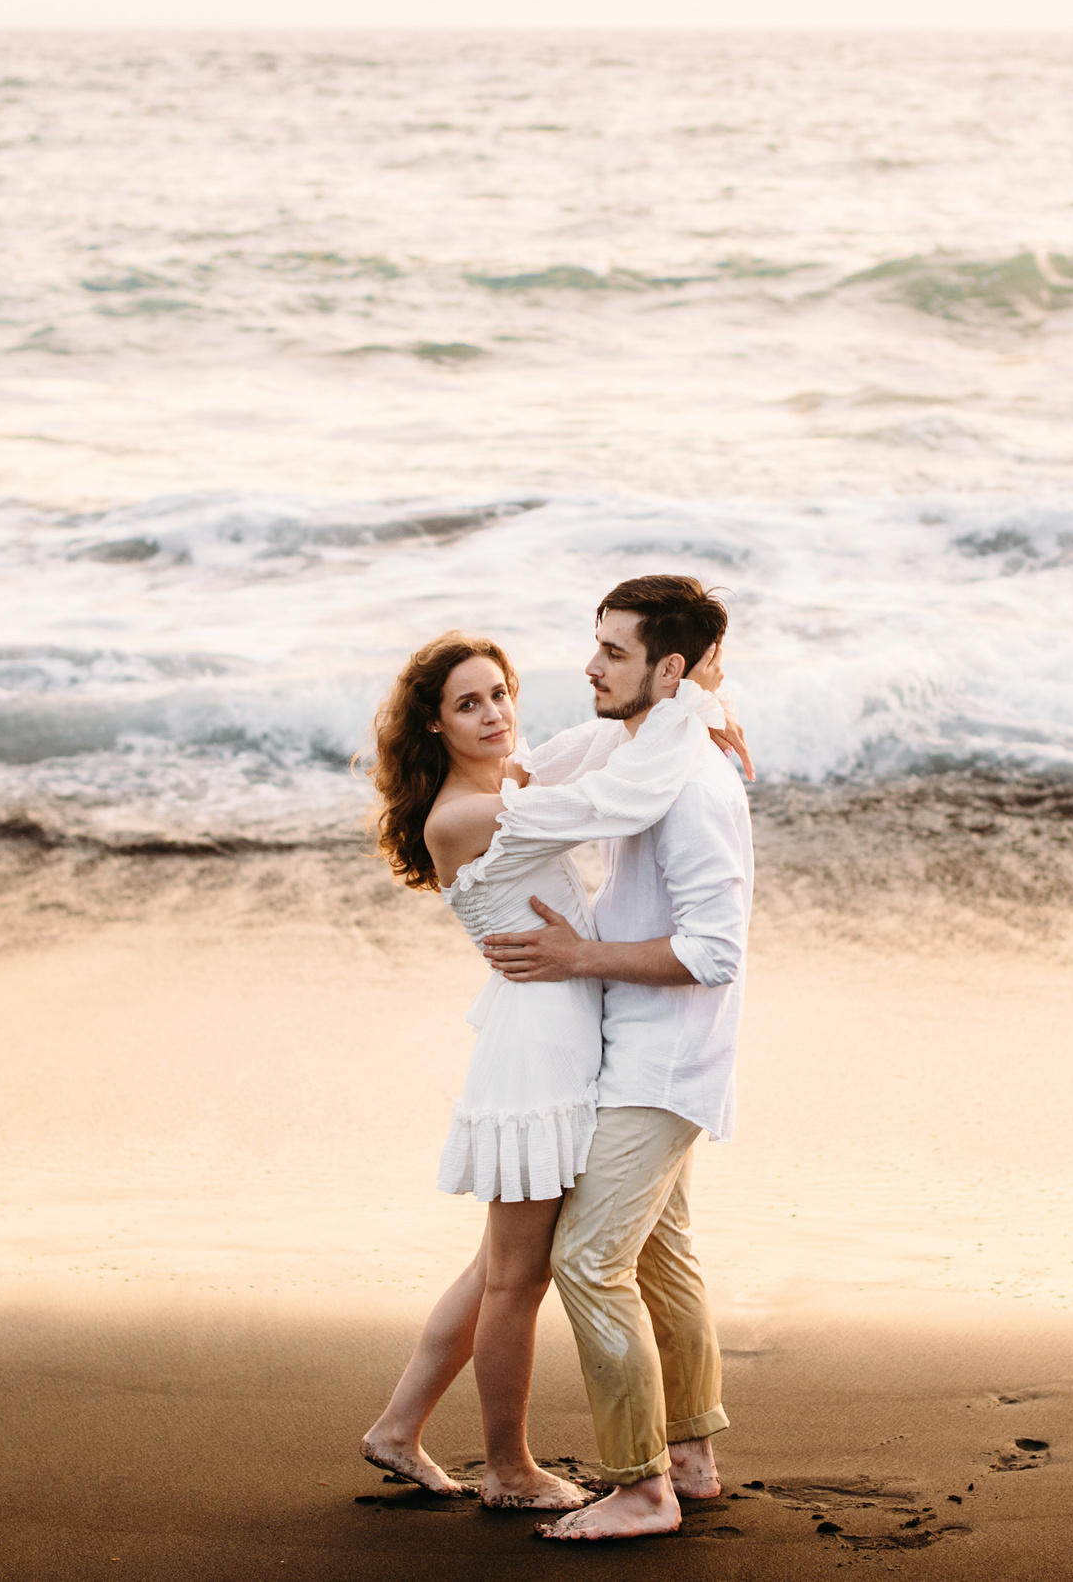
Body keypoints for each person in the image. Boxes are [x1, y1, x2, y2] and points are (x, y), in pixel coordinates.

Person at [356, 627, 745, 1510]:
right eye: (469, 703)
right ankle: (508, 1467)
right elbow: (625, 794)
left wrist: (698, 704)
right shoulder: (469, 813)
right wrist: (693, 710)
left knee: (497, 1265)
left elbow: (607, 744)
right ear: (433, 727)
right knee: (517, 1278)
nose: (495, 713)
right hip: (538, 1050)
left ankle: (395, 1428)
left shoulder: (512, 778)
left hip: (564, 1030)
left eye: (500, 693)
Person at [478, 576, 756, 1542]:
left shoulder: (695, 789)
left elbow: (717, 952)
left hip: (665, 1062)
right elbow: (569, 765)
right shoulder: (653, 743)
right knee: (661, 1256)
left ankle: (641, 1487)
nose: (590, 666)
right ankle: (691, 1453)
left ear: (666, 670)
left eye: (614, 651)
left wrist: (577, 954)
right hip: (633, 1043)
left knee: (591, 1262)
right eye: (594, 643)